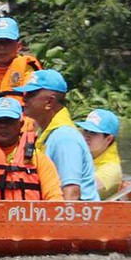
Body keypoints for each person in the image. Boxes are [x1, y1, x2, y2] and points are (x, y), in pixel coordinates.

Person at [14, 69, 99, 201]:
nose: (24, 99)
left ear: (50, 102)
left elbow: (71, 193)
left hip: (76, 218)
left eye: (31, 94)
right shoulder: (46, 133)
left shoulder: (64, 138)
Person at [76, 109, 122, 199]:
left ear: (108, 139)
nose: (86, 137)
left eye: (93, 133)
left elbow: (77, 191)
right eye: (85, 130)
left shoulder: (111, 169)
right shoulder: (86, 157)